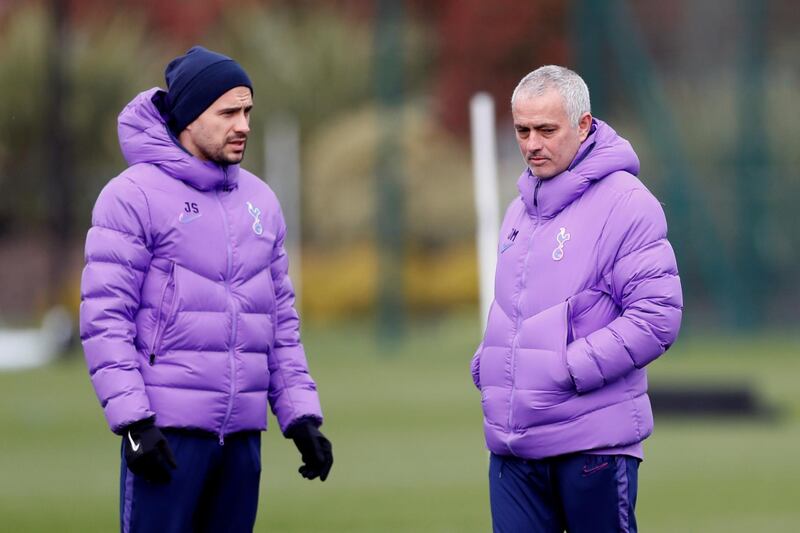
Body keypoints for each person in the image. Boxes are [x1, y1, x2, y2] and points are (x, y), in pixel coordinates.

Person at [79, 46, 333, 533]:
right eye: (228, 112)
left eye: (248, 111)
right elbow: (104, 319)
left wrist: (301, 418)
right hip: (165, 439)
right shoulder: (131, 197)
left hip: (241, 440)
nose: (243, 125)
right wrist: (135, 424)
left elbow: (278, 322)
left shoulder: (261, 201)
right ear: (190, 117)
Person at [470, 65, 682, 532]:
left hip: (593, 447)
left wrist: (568, 367)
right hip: (513, 450)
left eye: (546, 130)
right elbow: (515, 308)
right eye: (522, 130)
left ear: (584, 125)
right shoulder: (519, 210)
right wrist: (489, 362)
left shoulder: (628, 203)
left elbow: (657, 315)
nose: (531, 144)